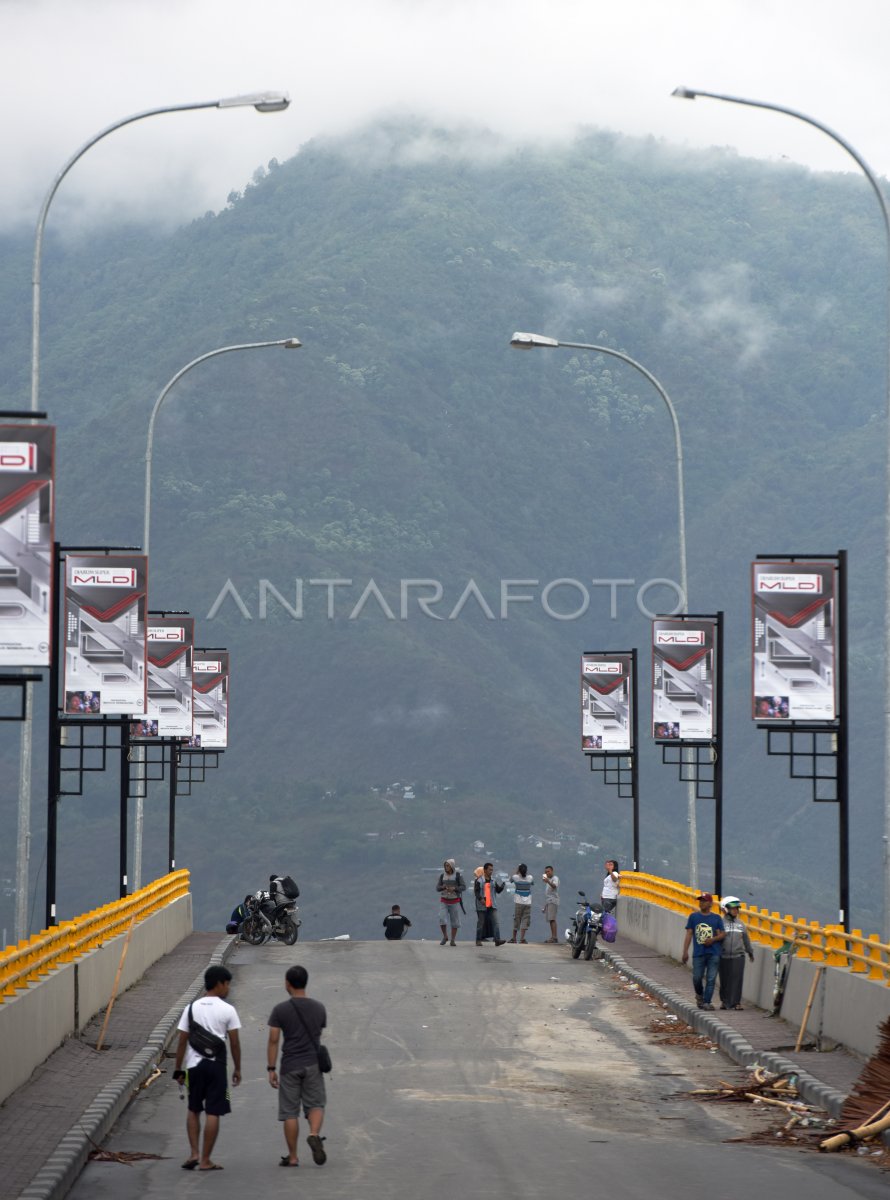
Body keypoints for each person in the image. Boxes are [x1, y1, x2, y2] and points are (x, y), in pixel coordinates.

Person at [172, 965, 241, 1172]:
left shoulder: (191, 1009)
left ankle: (194, 1153)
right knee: (213, 1111)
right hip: (217, 1066)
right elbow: (235, 1043)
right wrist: (237, 1068)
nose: (228, 988)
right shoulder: (228, 1010)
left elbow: (182, 1041)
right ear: (219, 984)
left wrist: (178, 1070)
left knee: (193, 1109)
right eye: (227, 984)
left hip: (194, 1067)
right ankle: (205, 1160)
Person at [267, 964, 328, 1168]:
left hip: (290, 1065)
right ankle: (313, 1134)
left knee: (290, 1112)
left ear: (287, 984)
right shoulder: (319, 1008)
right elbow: (318, 1031)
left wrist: (271, 1068)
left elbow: (274, 1040)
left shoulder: (280, 1010)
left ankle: (292, 1157)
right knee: (316, 1104)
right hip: (313, 1064)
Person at [681, 892, 725, 1010]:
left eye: (704, 901)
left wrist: (713, 939)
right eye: (700, 901)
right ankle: (699, 996)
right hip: (699, 953)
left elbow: (723, 934)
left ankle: (707, 1002)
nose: (701, 903)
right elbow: (689, 934)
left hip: (714, 953)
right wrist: (685, 951)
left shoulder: (716, 918)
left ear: (710, 903)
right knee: (697, 978)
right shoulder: (694, 917)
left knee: (711, 979)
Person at [718, 897, 755, 1010]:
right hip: (723, 956)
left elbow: (746, 939)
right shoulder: (720, 923)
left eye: (737, 909)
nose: (735, 911)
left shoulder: (741, 924)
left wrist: (750, 952)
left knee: (737, 979)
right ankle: (724, 1001)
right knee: (724, 980)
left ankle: (736, 1003)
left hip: (738, 956)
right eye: (732, 909)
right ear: (725, 909)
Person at [436, 858, 466, 946]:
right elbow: (437, 888)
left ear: (452, 866)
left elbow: (463, 887)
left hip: (454, 900)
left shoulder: (458, 875)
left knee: (455, 921)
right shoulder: (442, 876)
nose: (446, 867)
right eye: (445, 865)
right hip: (444, 900)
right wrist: (442, 887)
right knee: (442, 918)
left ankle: (453, 939)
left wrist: (455, 888)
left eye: (448, 865)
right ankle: (445, 936)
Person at [474, 862, 506, 946]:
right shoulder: (479, 880)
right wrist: (481, 899)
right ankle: (478, 940)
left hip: (492, 904)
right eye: (489, 870)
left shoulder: (493, 880)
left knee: (496, 922)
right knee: (481, 923)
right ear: (485, 870)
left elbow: (498, 890)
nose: (491, 871)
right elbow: (476, 892)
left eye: (492, 870)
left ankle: (497, 940)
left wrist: (503, 886)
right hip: (482, 905)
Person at [508, 863, 534, 943]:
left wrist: (517, 872)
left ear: (519, 870)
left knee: (517, 919)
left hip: (518, 902)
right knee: (525, 919)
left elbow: (510, 880)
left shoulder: (516, 877)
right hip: (528, 902)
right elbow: (532, 883)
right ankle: (522, 939)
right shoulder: (530, 878)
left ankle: (514, 938)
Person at [541, 865, 560, 942]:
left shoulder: (555, 878)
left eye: (548, 871)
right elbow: (547, 894)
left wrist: (548, 881)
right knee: (550, 919)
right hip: (549, 901)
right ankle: (553, 937)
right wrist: (545, 906)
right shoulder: (548, 880)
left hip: (553, 901)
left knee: (552, 919)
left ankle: (554, 937)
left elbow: (554, 886)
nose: (547, 873)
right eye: (545, 872)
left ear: (552, 871)